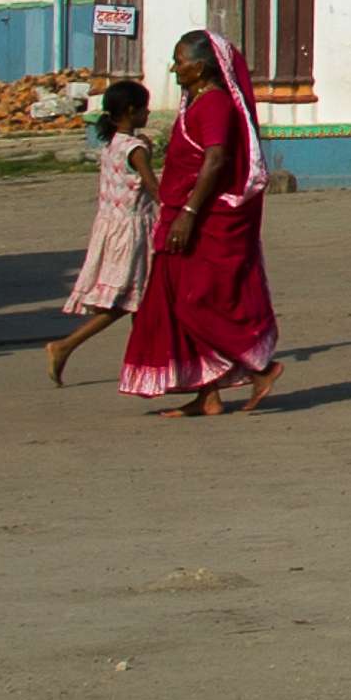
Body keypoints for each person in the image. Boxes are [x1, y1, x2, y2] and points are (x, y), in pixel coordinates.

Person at [122, 25, 282, 414]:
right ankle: (207, 394)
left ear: (203, 67)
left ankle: (259, 369)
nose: (175, 70)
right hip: (181, 214)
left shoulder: (214, 106)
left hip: (202, 220)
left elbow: (215, 159)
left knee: (194, 303)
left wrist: (190, 214)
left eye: (180, 62)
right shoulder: (196, 103)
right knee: (174, 298)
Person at [45, 76, 155, 384]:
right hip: (132, 230)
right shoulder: (134, 148)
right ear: (132, 111)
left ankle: (144, 361)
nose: (148, 115)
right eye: (144, 109)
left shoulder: (111, 145)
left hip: (111, 226)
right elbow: (151, 185)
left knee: (142, 299)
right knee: (127, 300)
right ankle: (65, 345)